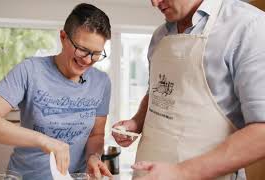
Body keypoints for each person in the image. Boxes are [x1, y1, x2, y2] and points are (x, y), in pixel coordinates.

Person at [112, 0, 265, 179]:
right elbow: (155, 92)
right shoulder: (160, 35)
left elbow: (261, 132)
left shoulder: (249, 26)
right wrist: (136, 122)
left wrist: (181, 172)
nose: (154, 2)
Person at [0, 3, 112, 180]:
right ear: (63, 37)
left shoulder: (102, 82)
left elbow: (96, 134)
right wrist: (45, 141)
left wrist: (94, 157)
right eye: (83, 49)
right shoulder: (30, 71)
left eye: (96, 53)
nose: (88, 60)